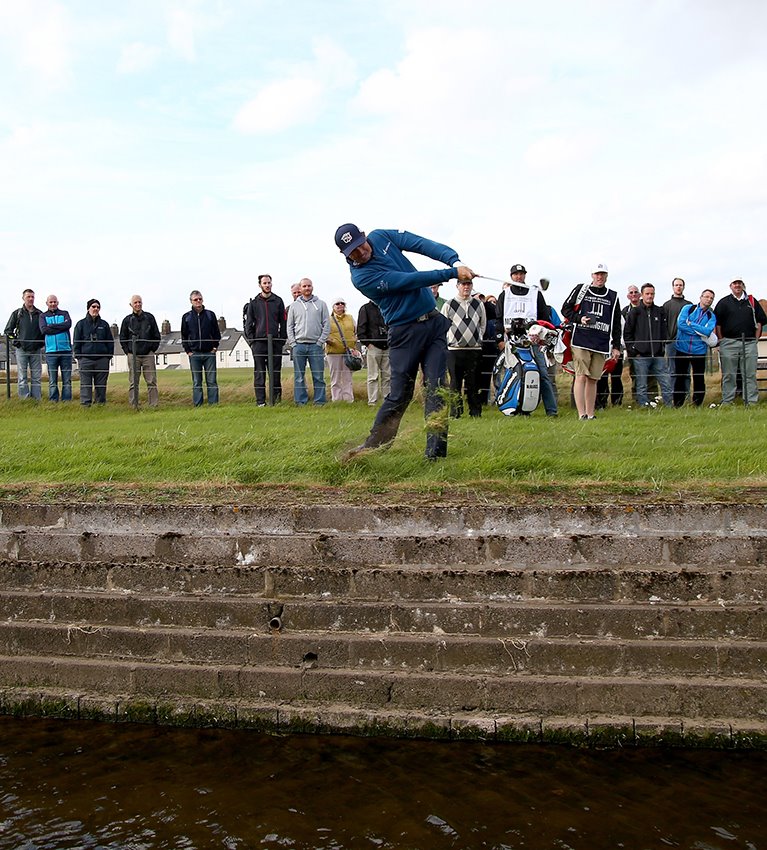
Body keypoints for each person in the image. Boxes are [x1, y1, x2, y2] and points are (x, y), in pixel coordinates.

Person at [334, 222, 474, 459]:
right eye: (353, 252)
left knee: (437, 389)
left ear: (365, 237)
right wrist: (451, 274)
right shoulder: (362, 277)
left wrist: (454, 261)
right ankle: (373, 448)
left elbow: (419, 243)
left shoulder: (381, 237)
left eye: (360, 245)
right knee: (400, 394)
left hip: (433, 325)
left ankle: (436, 455)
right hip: (404, 333)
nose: (361, 252)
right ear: (345, 255)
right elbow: (407, 281)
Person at [496, 263, 558, 416]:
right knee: (513, 373)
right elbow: (498, 319)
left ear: (525, 275)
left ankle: (551, 410)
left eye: (521, 274)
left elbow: (544, 317)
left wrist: (539, 332)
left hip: (533, 343)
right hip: (512, 342)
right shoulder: (505, 294)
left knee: (542, 375)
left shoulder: (535, 293)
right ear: (511, 276)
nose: (519, 277)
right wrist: (500, 340)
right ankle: (513, 406)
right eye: (516, 274)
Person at [561, 264, 621, 420]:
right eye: (597, 274)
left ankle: (590, 413)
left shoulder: (613, 296)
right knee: (581, 376)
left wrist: (616, 346)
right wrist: (579, 319)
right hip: (581, 340)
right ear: (592, 275)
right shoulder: (581, 290)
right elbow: (565, 309)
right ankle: (581, 414)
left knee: (594, 378)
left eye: (602, 274)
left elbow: (615, 324)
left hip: (601, 343)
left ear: (607, 276)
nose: (599, 277)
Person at [714, 279, 766, 406]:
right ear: (730, 286)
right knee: (729, 374)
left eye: (739, 283)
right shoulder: (723, 302)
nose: (737, 286)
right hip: (728, 343)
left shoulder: (752, 302)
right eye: (734, 283)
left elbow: (760, 321)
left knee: (749, 374)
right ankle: (727, 401)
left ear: (743, 285)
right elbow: (717, 323)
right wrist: (721, 341)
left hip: (749, 343)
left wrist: (755, 339)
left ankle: (751, 401)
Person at [441, 279, 486, 417]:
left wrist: (477, 339)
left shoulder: (479, 304)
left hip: (474, 349)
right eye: (463, 284)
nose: (466, 287)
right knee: (455, 382)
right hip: (455, 350)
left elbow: (482, 324)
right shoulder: (449, 304)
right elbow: (443, 325)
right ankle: (456, 412)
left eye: (468, 284)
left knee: (473, 382)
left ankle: (475, 412)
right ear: (457, 286)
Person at [623, 283, 673, 407]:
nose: (650, 296)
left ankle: (669, 405)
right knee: (641, 384)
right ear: (642, 295)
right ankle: (644, 406)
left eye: (652, 294)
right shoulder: (634, 312)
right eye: (647, 294)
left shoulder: (659, 311)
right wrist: (634, 351)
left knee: (666, 382)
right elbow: (627, 333)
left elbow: (664, 331)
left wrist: (661, 347)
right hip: (641, 356)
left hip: (658, 355)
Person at [244, 274, 287, 406]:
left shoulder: (278, 301)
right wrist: (252, 341)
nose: (267, 285)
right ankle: (260, 402)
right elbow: (248, 323)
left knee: (275, 373)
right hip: (259, 344)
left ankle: (276, 401)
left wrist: (281, 339)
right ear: (260, 285)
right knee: (259, 373)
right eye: (264, 283)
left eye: (269, 283)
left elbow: (283, 322)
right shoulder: (254, 303)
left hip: (275, 343)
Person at [286, 278, 329, 405]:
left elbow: (326, 324)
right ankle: (300, 401)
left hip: (315, 345)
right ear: (300, 288)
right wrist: (293, 343)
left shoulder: (321, 304)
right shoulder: (294, 306)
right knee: (299, 377)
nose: (307, 288)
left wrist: (320, 341)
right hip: (298, 345)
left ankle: (320, 401)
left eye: (309, 286)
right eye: (304, 286)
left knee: (318, 376)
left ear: (312, 287)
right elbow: (289, 326)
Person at [674, 290, 716, 407]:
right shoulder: (688, 308)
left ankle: (697, 404)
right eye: (706, 296)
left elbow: (708, 331)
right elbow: (681, 325)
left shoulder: (711, 316)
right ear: (701, 297)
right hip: (682, 348)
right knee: (680, 378)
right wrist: (699, 331)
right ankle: (678, 404)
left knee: (698, 378)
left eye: (711, 298)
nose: (708, 299)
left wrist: (691, 324)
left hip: (699, 351)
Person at [119, 294, 161, 408]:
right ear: (131, 305)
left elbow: (156, 335)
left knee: (151, 381)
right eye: (135, 302)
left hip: (148, 354)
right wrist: (127, 351)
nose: (138, 304)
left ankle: (153, 405)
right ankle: (134, 405)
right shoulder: (127, 320)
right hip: (133, 355)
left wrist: (152, 349)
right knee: (133, 382)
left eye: (139, 302)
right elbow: (122, 337)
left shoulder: (149, 318)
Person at [181, 290, 221, 406]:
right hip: (194, 354)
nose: (198, 301)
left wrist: (214, 347)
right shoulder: (186, 317)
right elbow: (184, 335)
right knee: (197, 381)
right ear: (191, 301)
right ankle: (198, 405)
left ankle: (213, 404)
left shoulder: (210, 315)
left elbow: (216, 333)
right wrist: (188, 351)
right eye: (195, 300)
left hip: (209, 353)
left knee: (212, 381)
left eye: (200, 299)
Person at [72, 299, 114, 405]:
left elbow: (110, 341)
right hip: (85, 360)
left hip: (102, 360)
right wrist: (79, 357)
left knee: (101, 385)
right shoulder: (80, 324)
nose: (96, 309)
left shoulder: (104, 325)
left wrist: (108, 356)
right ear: (88, 308)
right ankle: (86, 405)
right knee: (86, 385)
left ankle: (100, 405)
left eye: (98, 307)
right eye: (93, 307)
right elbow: (76, 342)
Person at [4, 289, 44, 400]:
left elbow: (44, 331)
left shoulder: (40, 314)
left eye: (32, 297)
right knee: (22, 377)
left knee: (36, 377)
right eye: (28, 297)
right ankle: (24, 400)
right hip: (21, 350)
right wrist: (16, 342)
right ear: (23, 298)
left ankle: (37, 400)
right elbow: (8, 331)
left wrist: (40, 344)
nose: (31, 299)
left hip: (36, 350)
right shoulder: (17, 313)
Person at [38, 294, 73, 402]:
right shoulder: (43, 316)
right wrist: (60, 327)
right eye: (50, 302)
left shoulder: (65, 313)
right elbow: (44, 330)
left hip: (66, 351)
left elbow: (68, 325)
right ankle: (53, 400)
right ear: (47, 303)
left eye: (54, 302)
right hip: (51, 352)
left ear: (57, 302)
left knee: (67, 379)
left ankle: (66, 401)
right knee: (52, 380)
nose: (53, 304)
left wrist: (51, 326)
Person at [326, 297, 361, 402]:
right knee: (335, 377)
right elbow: (324, 333)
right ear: (333, 307)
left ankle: (348, 399)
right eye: (337, 304)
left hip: (348, 352)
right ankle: (336, 399)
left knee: (347, 377)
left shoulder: (350, 318)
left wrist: (354, 343)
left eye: (342, 303)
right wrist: (330, 341)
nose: (340, 305)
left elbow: (356, 331)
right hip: (333, 352)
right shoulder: (328, 319)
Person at [663, 278, 692, 400]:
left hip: (686, 343)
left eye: (680, 285)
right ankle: (673, 398)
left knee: (686, 372)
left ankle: (686, 397)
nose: (678, 287)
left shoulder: (689, 305)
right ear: (673, 287)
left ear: (683, 287)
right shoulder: (667, 305)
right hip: (672, 343)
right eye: (676, 285)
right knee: (672, 372)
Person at [357, 299, 390, 406]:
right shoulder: (365, 309)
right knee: (373, 376)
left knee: (388, 375)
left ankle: (387, 400)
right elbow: (361, 329)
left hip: (388, 346)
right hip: (373, 347)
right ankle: (372, 401)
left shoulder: (387, 306)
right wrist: (367, 344)